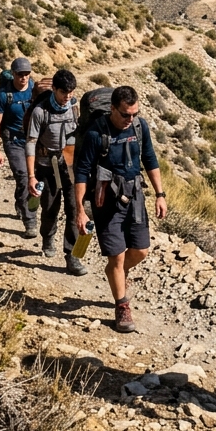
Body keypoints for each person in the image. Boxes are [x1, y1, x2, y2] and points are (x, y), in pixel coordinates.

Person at [74, 85, 167, 334]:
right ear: (113, 109)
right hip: (106, 200)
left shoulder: (139, 127)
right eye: (125, 114)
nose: (130, 119)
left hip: (135, 195)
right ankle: (122, 306)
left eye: (134, 114)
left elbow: (149, 158)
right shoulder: (96, 133)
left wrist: (160, 195)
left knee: (142, 250)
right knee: (116, 255)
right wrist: (80, 210)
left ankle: (117, 272)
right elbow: (82, 171)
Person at [26, 69, 84, 276]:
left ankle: (72, 256)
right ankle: (47, 236)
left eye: (70, 92)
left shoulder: (74, 107)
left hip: (69, 165)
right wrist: (31, 176)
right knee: (50, 208)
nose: (67, 96)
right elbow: (31, 143)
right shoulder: (40, 111)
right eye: (63, 92)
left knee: (74, 209)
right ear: (54, 89)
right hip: (46, 165)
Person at [0, 57, 37, 238]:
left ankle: (20, 202)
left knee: (31, 179)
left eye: (26, 74)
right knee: (24, 176)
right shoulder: (4, 95)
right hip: (13, 141)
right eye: (20, 74)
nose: (23, 78)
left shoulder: (34, 89)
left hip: (33, 141)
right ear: (13, 74)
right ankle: (30, 220)